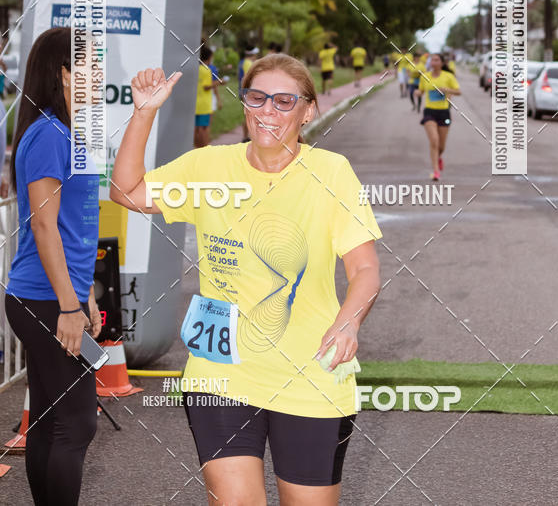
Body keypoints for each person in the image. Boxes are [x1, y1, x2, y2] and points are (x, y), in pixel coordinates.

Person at [110, 54, 382, 506]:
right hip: (221, 373)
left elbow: (365, 270)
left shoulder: (332, 173)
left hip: (309, 372)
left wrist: (348, 322)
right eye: (257, 98)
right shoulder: (208, 168)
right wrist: (143, 113)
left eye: (284, 101)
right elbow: (126, 192)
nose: (268, 110)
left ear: (308, 111)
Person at [4, 27, 101, 506]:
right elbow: (44, 227)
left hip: (53, 296)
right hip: (44, 299)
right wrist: (67, 306)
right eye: (90, 64)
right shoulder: (48, 133)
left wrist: (86, 294)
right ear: (63, 73)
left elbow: (70, 226)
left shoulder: (63, 132)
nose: (98, 73)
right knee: (77, 423)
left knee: (49, 417)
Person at [416, 53, 461, 181]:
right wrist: (417, 92)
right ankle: (436, 171)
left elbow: (458, 91)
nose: (434, 62)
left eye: (436, 60)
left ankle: (438, 158)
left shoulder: (448, 76)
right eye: (432, 60)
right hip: (429, 112)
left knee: (441, 146)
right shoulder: (425, 76)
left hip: (444, 112)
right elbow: (421, 91)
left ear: (441, 63)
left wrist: (447, 89)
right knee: (434, 140)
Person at [194, 44, 221, 148]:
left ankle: (196, 148)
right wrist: (219, 82)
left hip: (196, 103)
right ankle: (205, 149)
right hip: (204, 105)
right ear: (209, 57)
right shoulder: (207, 70)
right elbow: (206, 87)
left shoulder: (196, 68)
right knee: (204, 128)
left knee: (196, 128)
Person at [238, 46, 259, 142]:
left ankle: (246, 136)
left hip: (244, 91)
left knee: (248, 114)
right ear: (252, 54)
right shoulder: (249, 64)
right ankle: (247, 137)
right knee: (249, 114)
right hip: (247, 92)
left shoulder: (242, 62)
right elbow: (249, 79)